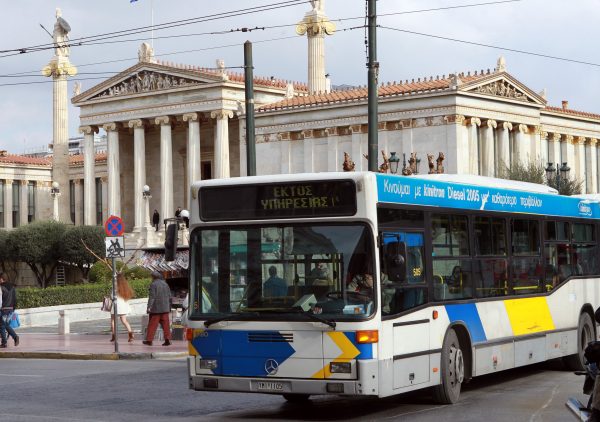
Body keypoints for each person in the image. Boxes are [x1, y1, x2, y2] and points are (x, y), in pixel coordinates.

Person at [143, 271, 172, 346]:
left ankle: (149, 340)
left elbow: (152, 297)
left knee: (152, 325)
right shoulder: (165, 284)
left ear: (153, 277)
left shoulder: (153, 284)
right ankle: (167, 339)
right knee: (166, 325)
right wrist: (169, 307)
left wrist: (149, 307)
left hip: (156, 309)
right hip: (165, 308)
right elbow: (170, 296)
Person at [110, 273, 135, 343]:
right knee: (124, 321)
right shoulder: (125, 285)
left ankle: (114, 336)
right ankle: (131, 335)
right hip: (123, 305)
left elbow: (112, 296)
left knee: (113, 321)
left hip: (116, 305)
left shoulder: (115, 285)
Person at [0, 273, 18, 348]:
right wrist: (13, 308)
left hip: (4, 309)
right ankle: (15, 337)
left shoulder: (1, 287)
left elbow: (0, 300)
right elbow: (15, 299)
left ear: (1, 279)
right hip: (10, 309)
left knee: (2, 326)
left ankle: (4, 343)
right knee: (6, 325)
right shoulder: (12, 287)